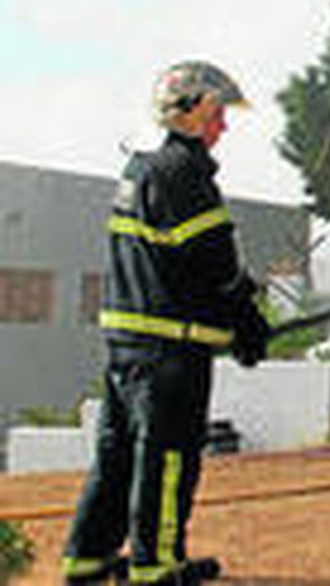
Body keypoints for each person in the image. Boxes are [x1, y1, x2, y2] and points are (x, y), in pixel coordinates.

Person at [61, 61, 270, 585]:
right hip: (170, 350)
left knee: (118, 455)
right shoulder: (184, 174)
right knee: (169, 455)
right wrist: (246, 319)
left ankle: (87, 558)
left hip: (128, 343)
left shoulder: (140, 170)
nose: (223, 127)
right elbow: (215, 262)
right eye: (217, 115)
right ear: (190, 113)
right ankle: (156, 565)